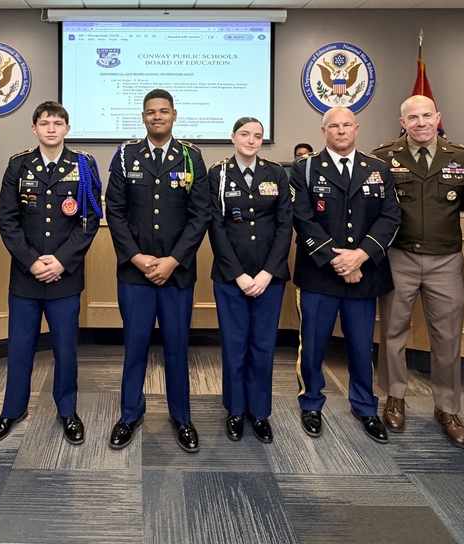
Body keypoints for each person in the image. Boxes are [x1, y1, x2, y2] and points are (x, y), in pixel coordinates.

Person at [0, 101, 103, 445]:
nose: (51, 128)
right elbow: (7, 219)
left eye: (57, 123)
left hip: (65, 278)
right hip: (26, 277)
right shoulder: (19, 165)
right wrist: (31, 261)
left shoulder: (83, 166)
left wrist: (62, 261)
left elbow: (89, 220)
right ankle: (12, 410)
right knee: (20, 347)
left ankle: (67, 411)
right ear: (33, 128)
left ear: (68, 129)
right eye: (45, 123)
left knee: (65, 349)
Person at [105, 89, 210, 453]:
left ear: (174, 115)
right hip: (135, 273)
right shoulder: (125, 155)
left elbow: (201, 215)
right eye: (151, 112)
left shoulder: (192, 156)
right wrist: (135, 257)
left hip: (176, 273)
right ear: (143, 117)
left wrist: (173, 260)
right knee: (135, 346)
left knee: (176, 348)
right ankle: (129, 415)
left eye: (164, 111)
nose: (157, 117)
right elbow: (114, 211)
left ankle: (182, 417)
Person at [371, 95, 464, 448]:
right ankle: (395, 396)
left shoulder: (462, 159)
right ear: (402, 123)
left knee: (447, 338)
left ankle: (447, 407)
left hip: (445, 259)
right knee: (393, 332)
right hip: (398, 256)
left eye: (427, 116)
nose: (421, 123)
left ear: (438, 117)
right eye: (413, 117)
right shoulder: (383, 157)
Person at [290, 106, 400, 444]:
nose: (340, 130)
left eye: (346, 125)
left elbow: (391, 217)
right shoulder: (305, 168)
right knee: (313, 346)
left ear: (357, 129)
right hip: (319, 274)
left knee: (361, 346)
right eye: (333, 126)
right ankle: (311, 403)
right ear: (324, 131)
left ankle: (365, 406)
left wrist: (360, 256)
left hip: (364, 273)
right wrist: (337, 260)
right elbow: (302, 217)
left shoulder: (378, 168)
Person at [208, 117, 292, 443]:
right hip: (231, 278)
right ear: (233, 137)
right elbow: (216, 227)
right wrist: (239, 275)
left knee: (262, 347)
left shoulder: (276, 173)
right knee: (234, 346)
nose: (251, 140)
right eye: (245, 134)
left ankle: (259, 412)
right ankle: (234, 410)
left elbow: (285, 225)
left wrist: (268, 272)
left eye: (257, 136)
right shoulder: (218, 173)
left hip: (270, 278)